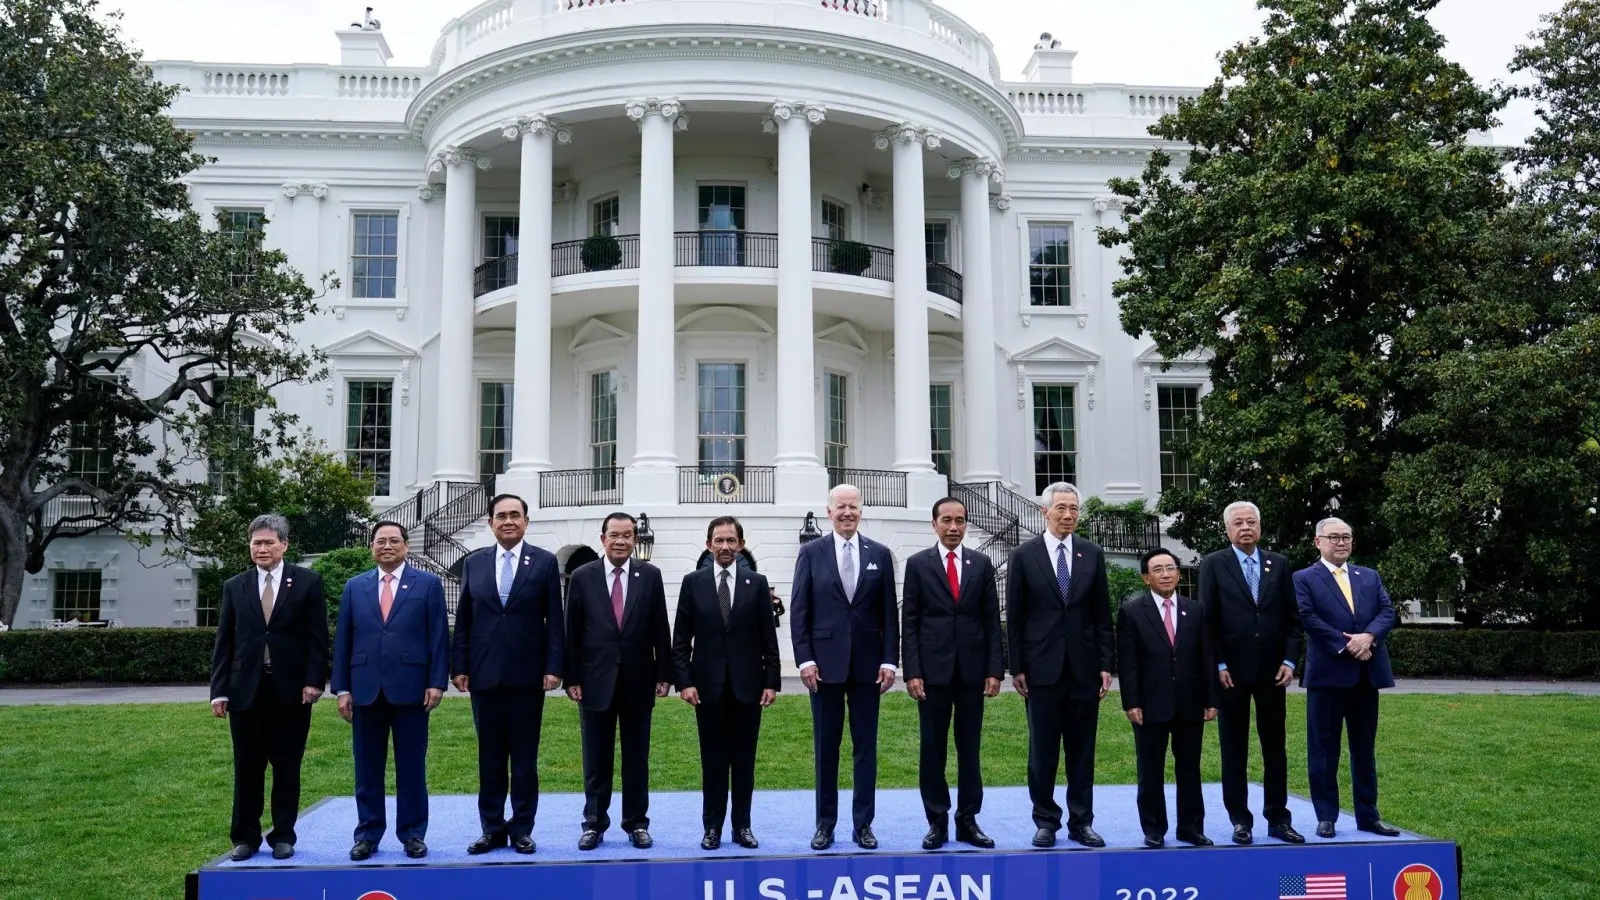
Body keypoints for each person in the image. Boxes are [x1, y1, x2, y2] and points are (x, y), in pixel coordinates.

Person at [209, 513, 328, 862]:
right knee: (247, 767)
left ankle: (283, 835)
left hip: (291, 692)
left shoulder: (307, 582)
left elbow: (317, 637)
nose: (262, 549)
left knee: (287, 766)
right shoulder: (235, 586)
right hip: (245, 691)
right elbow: (224, 641)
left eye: (268, 542)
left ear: (284, 544)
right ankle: (245, 837)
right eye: (256, 543)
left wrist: (313, 681)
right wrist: (219, 690)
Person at [451, 493, 565, 855]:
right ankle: (492, 828)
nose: (508, 521)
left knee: (525, 759)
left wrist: (553, 667)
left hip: (528, 676)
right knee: (490, 758)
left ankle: (521, 828)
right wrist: (460, 667)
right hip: (483, 675)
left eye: (515, 515)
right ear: (491, 523)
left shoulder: (544, 563)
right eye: (501, 516)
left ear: (526, 522)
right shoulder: (475, 563)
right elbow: (464, 620)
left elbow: (555, 622)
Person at [331, 521, 449, 861]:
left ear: (405, 546)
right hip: (365, 689)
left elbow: (439, 638)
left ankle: (412, 833)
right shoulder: (355, 587)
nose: (387, 546)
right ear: (371, 547)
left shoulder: (427, 585)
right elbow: (343, 641)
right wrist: (341, 688)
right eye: (380, 541)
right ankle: (368, 834)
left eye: (394, 540)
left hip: (412, 689)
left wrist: (436, 682)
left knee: (411, 766)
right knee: (367, 768)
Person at [791, 483, 899, 851]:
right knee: (826, 748)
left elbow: (889, 614)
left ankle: (863, 824)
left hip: (869, 668)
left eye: (853, 506)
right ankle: (825, 824)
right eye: (841, 507)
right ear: (829, 511)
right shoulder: (811, 553)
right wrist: (804, 659)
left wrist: (889, 660)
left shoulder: (880, 554)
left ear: (861, 511)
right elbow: (800, 611)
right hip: (823, 669)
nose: (847, 512)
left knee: (865, 748)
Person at [1006, 481, 1113, 849]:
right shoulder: (1024, 555)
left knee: (1082, 749)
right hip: (1040, 669)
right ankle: (1046, 820)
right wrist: (1016, 665)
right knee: (1043, 750)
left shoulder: (1091, 554)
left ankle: (1081, 821)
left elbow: (1102, 615)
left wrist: (1105, 664)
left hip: (1083, 668)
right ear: (1044, 512)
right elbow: (1015, 616)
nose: (1068, 515)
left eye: (1073, 509)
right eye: (1061, 508)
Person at [1198, 500, 1306, 845]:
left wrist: (1290, 661)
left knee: (1275, 747)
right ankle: (1240, 820)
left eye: (1251, 522)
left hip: (1273, 671)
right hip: (1231, 672)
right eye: (1238, 523)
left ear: (1260, 527)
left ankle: (1278, 818)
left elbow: (1293, 621)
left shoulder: (1279, 563)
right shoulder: (1213, 564)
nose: (1246, 528)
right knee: (1234, 747)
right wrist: (1218, 664)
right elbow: (1207, 621)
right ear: (1227, 529)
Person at [565, 512, 672, 851]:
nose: (621, 541)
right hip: (594, 681)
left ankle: (636, 823)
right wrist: (572, 677)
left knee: (637, 759)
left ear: (635, 540)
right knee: (596, 759)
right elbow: (572, 632)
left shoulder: (650, 576)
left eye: (627, 535)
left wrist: (664, 673)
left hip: (639, 680)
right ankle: (594, 824)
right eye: (614, 535)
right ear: (603, 539)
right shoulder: (582, 576)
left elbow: (660, 628)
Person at [672, 516, 781, 850]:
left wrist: (772, 681)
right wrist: (685, 682)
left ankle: (742, 826)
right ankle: (712, 828)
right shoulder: (693, 582)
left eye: (731, 541)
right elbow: (680, 641)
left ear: (741, 545)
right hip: (707, 689)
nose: (725, 547)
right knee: (714, 760)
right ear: (708, 545)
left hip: (748, 687)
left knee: (744, 761)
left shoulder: (757, 583)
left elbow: (768, 639)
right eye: (718, 541)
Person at [902, 497, 1002, 850]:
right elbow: (910, 621)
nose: (954, 527)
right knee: (932, 749)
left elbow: (991, 620)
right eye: (947, 520)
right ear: (934, 524)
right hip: (931, 674)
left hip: (973, 672)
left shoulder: (981, 563)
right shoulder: (918, 565)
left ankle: (968, 820)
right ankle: (937, 821)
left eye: (960, 520)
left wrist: (995, 669)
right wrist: (912, 671)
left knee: (969, 749)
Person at [1293, 517, 1400, 839]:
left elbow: (1387, 611)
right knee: (1324, 750)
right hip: (1327, 675)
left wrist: (1368, 637)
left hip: (1366, 674)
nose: (1341, 543)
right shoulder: (1303, 578)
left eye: (1347, 537)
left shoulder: (1369, 576)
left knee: (1364, 749)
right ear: (1318, 542)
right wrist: (1347, 644)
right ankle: (1326, 816)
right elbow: (1306, 616)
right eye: (1334, 537)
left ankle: (1368, 815)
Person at [1118, 548, 1217, 848]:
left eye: (1170, 568)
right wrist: (1131, 702)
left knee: (1190, 768)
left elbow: (1206, 657)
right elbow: (1128, 662)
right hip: (1149, 705)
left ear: (1178, 572)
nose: (1165, 574)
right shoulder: (1132, 612)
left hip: (1190, 703)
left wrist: (1211, 699)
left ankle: (1191, 828)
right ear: (1146, 577)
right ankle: (1153, 829)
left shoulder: (1196, 610)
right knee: (1150, 770)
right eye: (1157, 569)